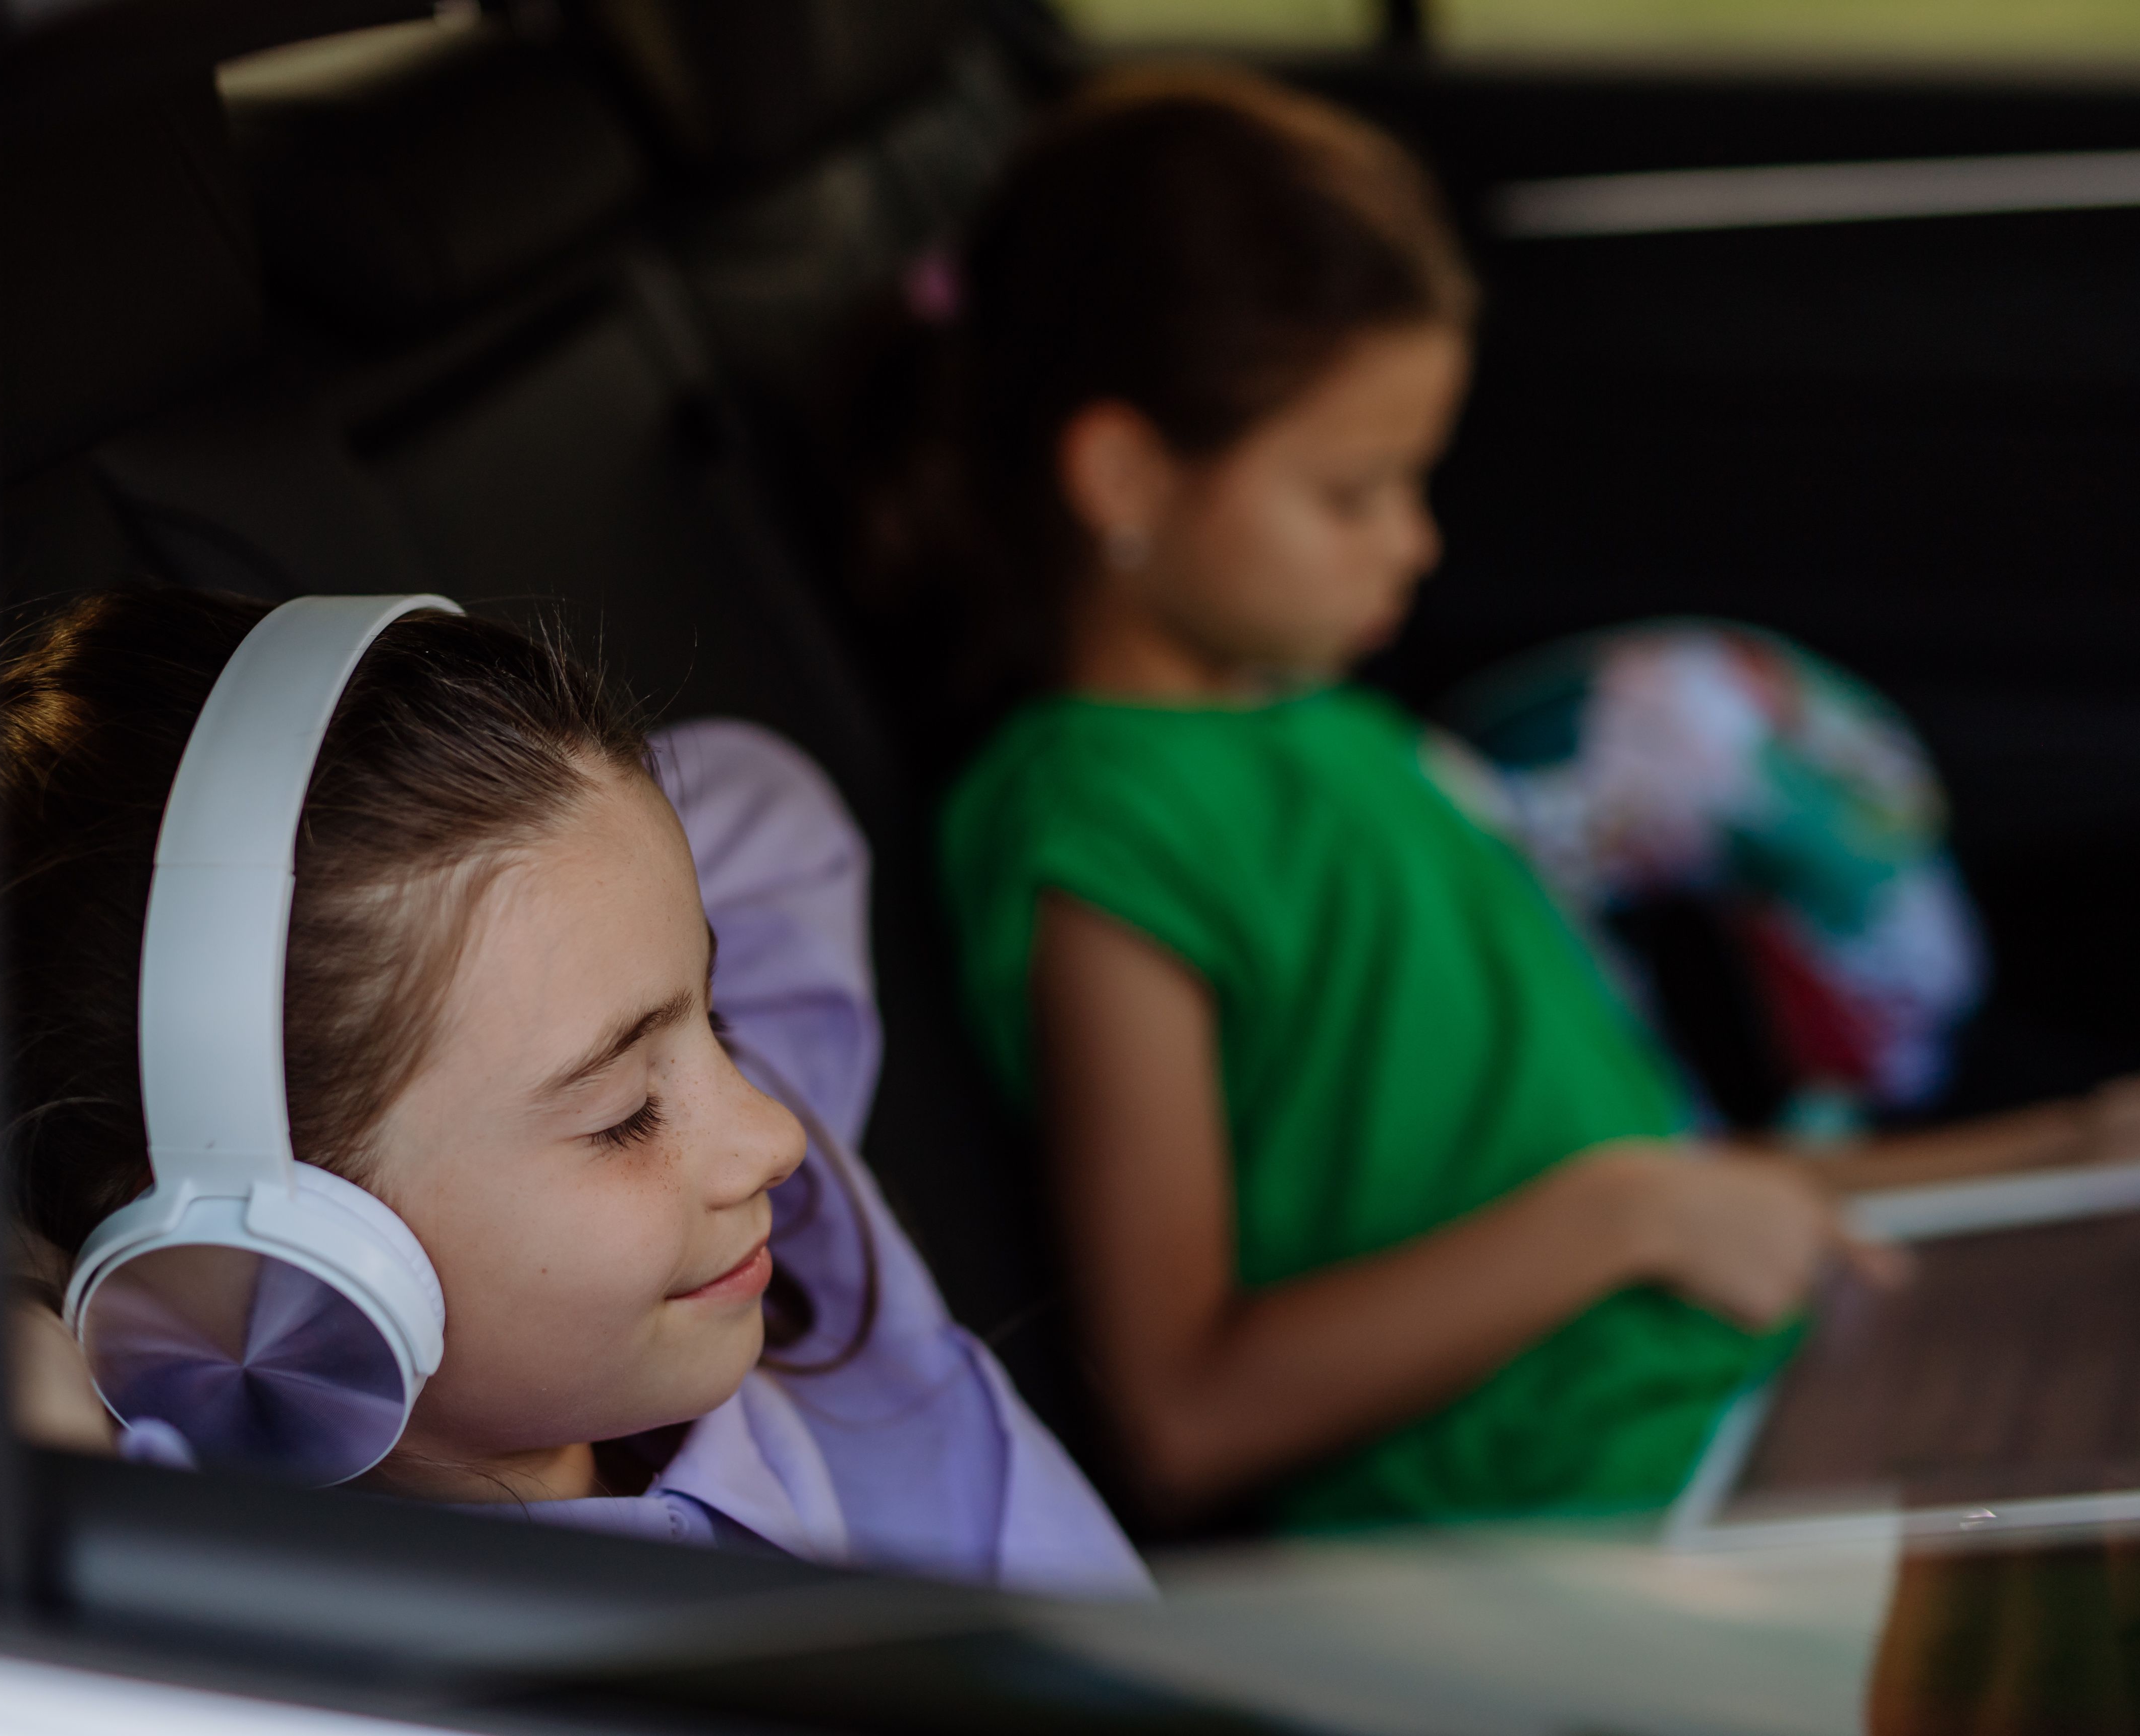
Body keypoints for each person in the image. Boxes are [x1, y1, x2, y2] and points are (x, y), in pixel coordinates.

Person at [852, 65, 2140, 1530]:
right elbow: (1185, 1410)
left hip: (1739, 1389)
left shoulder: (1328, 734)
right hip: (1579, 1511)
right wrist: (1620, 1216)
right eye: (1353, 492)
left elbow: (1650, 1180)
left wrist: (2063, 1153)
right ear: (1127, 473)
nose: (1412, 543)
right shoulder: (1100, 830)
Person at [0, 588, 1150, 1598]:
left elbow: (765, 804)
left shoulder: (792, 1271)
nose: (775, 1134)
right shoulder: (284, 1638)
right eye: (625, 1113)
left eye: (720, 1010)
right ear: (273, 1261)